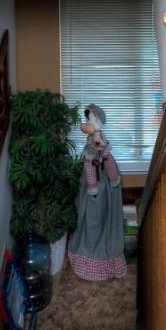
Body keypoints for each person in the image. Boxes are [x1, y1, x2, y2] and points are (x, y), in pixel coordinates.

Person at [67, 104, 126, 280]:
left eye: (89, 121)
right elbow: (107, 163)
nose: (85, 124)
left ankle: (94, 259)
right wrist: (111, 180)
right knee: (95, 219)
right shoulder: (98, 140)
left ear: (97, 123)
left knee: (93, 220)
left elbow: (91, 165)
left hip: (97, 186)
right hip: (103, 184)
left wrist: (92, 187)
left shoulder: (96, 143)